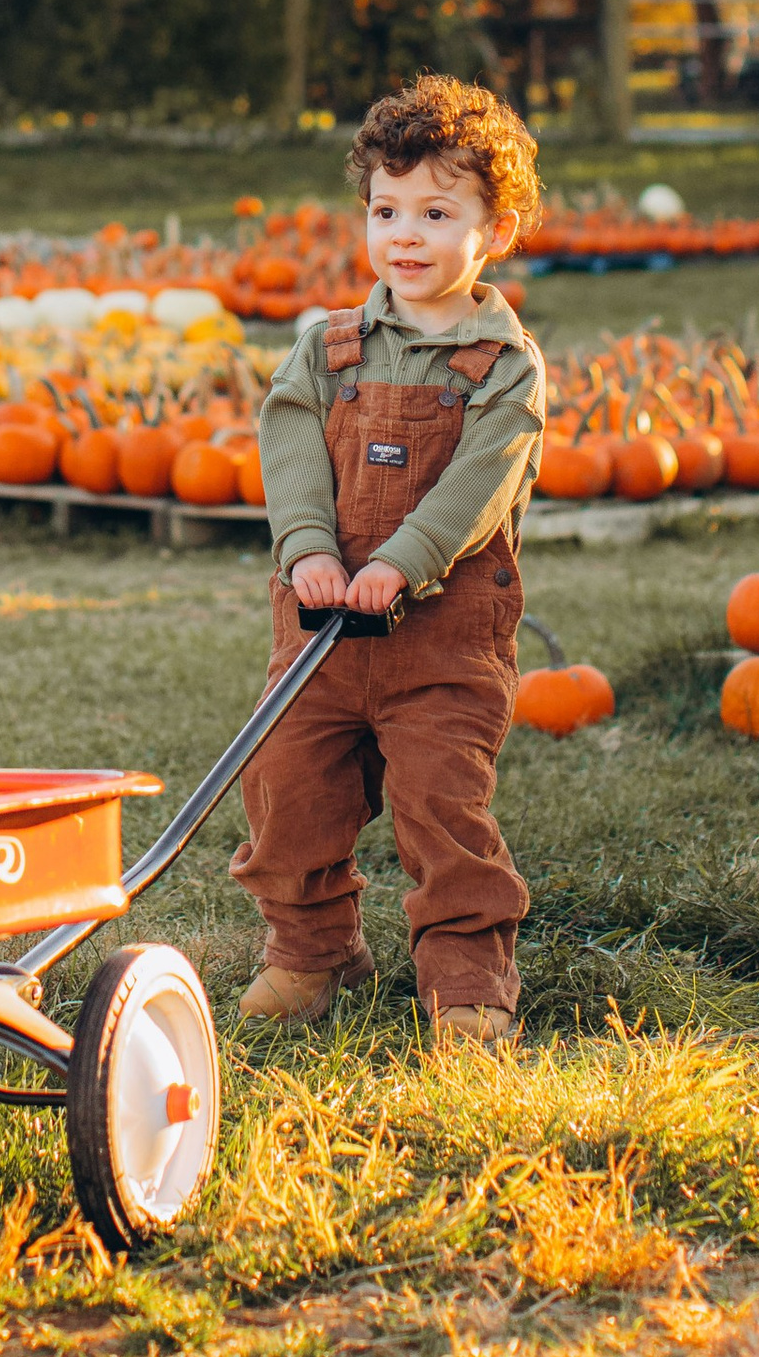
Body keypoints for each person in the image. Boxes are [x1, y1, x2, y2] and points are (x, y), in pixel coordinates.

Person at [230, 74, 546, 1047]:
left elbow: (476, 489)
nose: (403, 234)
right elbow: (288, 454)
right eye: (385, 209)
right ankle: (310, 952)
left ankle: (464, 982)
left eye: (436, 212)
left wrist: (402, 562)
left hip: (439, 642)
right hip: (321, 630)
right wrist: (309, 548)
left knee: (440, 806)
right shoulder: (325, 350)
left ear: (493, 232)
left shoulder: (505, 368)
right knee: (289, 790)